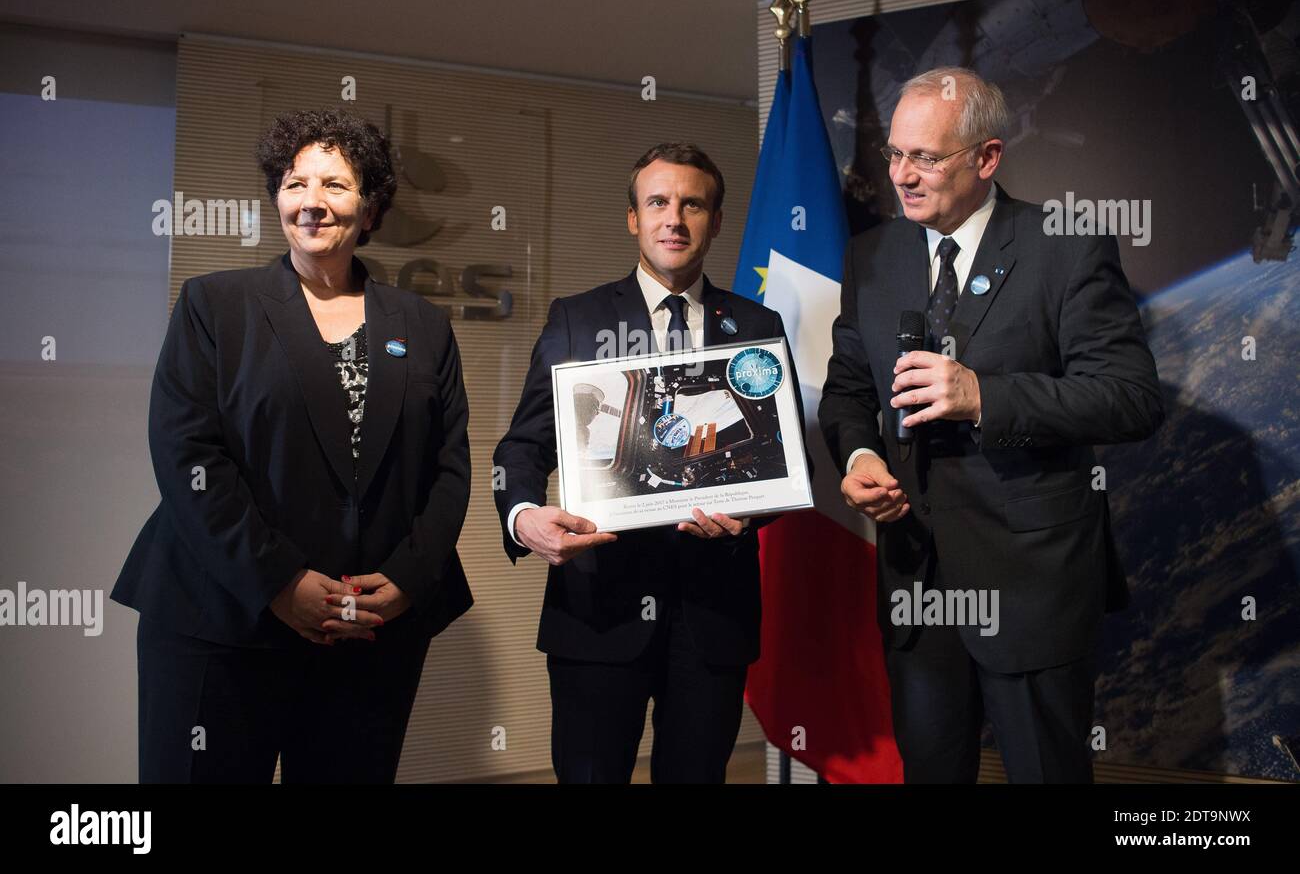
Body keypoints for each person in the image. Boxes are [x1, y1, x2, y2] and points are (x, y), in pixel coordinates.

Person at [820, 68, 1163, 783]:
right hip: (916, 578)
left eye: (926, 157)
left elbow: (1130, 397)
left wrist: (984, 397)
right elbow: (849, 387)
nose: (902, 176)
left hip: (1031, 584)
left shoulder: (1064, 245)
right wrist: (857, 456)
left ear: (987, 157)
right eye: (894, 154)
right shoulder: (872, 256)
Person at [112, 108, 473, 783]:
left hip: (369, 627)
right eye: (294, 182)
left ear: (370, 208)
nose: (312, 201)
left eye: (335, 185)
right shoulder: (214, 305)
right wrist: (276, 580)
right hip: (219, 616)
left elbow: (450, 467)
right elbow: (188, 454)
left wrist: (405, 580)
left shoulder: (422, 325)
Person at [493, 142, 802, 783]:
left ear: (715, 222)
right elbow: (522, 446)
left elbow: (777, 463)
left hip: (713, 614)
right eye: (658, 202)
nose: (675, 219)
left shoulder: (757, 324)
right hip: (597, 610)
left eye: (694, 204)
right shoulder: (576, 320)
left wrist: (752, 517)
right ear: (633, 218)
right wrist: (523, 517)